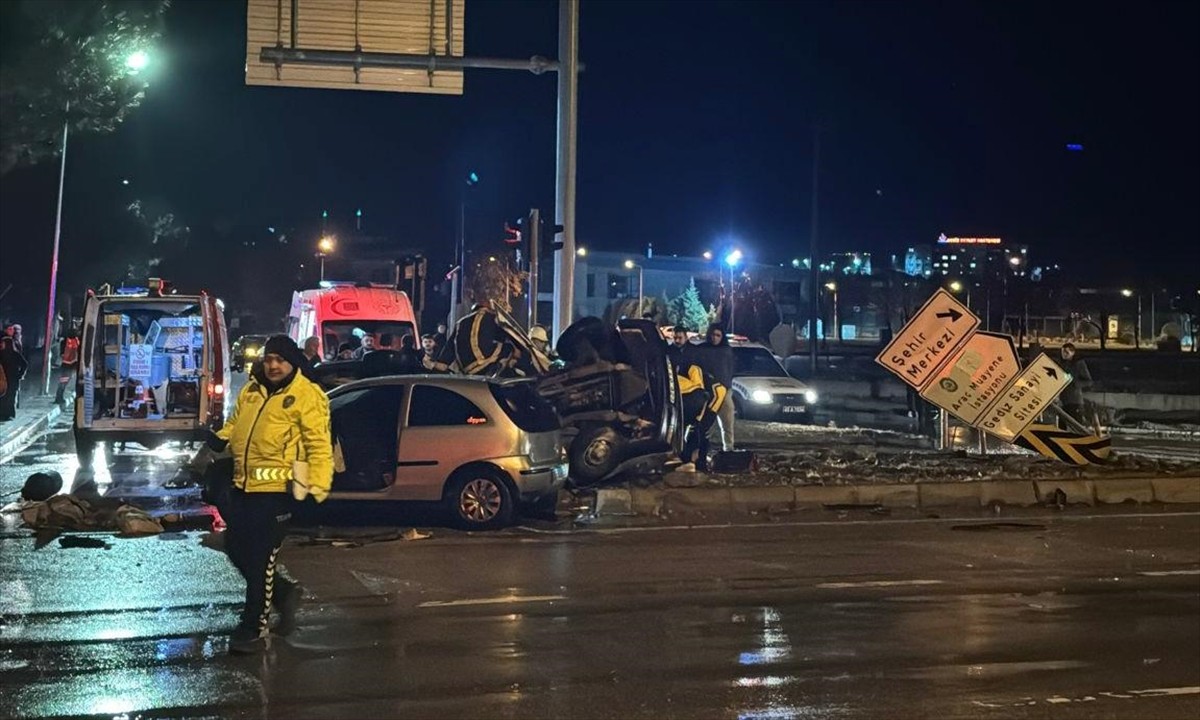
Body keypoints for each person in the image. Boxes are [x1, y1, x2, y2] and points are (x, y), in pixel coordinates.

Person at [205, 335, 333, 654]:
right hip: (244, 486)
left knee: (261, 559)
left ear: (292, 363)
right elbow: (236, 425)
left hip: (278, 491)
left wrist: (311, 488)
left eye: (280, 360)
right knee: (236, 548)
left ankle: (254, 627)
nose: (273, 365)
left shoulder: (307, 395)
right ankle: (283, 594)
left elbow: (318, 444)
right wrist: (219, 439)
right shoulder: (252, 389)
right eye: (269, 358)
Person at [677, 362, 727, 472]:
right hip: (699, 397)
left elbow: (702, 392)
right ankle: (694, 461)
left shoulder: (692, 375)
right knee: (697, 430)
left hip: (708, 397)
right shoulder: (685, 376)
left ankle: (696, 462)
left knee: (701, 430)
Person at [692, 323, 735, 451]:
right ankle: (698, 448)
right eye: (713, 335)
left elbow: (730, 370)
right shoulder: (701, 350)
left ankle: (728, 449)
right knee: (702, 422)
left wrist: (727, 386)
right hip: (706, 392)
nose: (715, 338)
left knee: (728, 421)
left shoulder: (727, 351)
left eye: (718, 335)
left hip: (724, 390)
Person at [1057, 342, 1093, 425]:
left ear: (1072, 353)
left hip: (1074, 400)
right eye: (1062, 352)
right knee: (1062, 424)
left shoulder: (1079, 364)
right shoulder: (1060, 364)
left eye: (1066, 352)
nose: (1064, 355)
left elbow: (1089, 381)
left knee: (1076, 423)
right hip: (1063, 400)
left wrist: (1074, 383)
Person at [0, 336, 28, 421]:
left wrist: (20, 374)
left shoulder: (14, 354)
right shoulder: (3, 354)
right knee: (6, 396)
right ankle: (5, 414)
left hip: (10, 379)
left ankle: (6, 414)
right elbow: (25, 364)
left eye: (3, 343)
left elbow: (24, 364)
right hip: (7, 379)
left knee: (8, 397)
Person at [55, 329, 80, 405]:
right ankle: (59, 398)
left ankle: (59, 397)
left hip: (67, 364)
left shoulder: (66, 340)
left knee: (63, 382)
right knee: (64, 382)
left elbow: (61, 353)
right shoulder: (76, 340)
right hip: (70, 365)